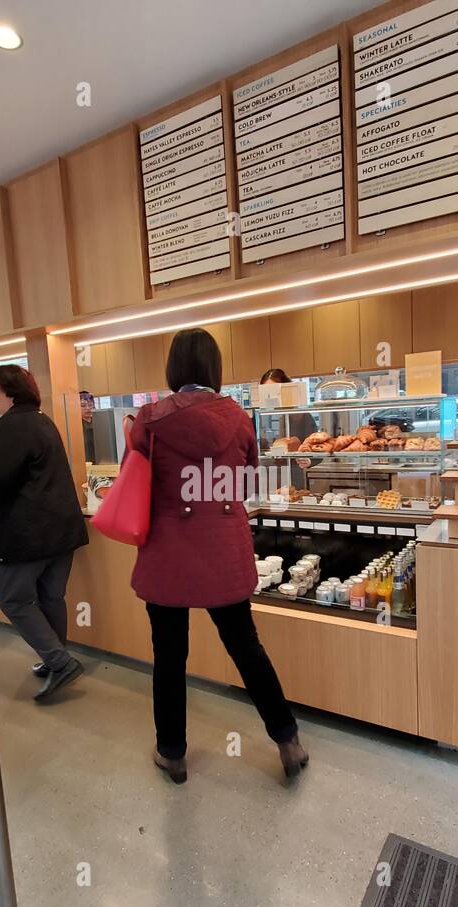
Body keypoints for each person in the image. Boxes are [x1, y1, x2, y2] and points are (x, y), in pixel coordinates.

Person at [131, 328, 308, 783]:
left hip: (169, 553)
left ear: (173, 368)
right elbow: (246, 481)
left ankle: (172, 753)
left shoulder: (148, 419)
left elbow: (139, 480)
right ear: (214, 368)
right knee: (246, 648)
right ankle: (288, 740)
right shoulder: (238, 418)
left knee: (169, 656)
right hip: (222, 549)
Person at [0, 365, 88, 700]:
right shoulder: (42, 420)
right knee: (51, 597)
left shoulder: (12, 426)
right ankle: (54, 658)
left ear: (8, 390)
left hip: (30, 534)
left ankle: (60, 662)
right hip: (62, 531)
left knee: (14, 599)